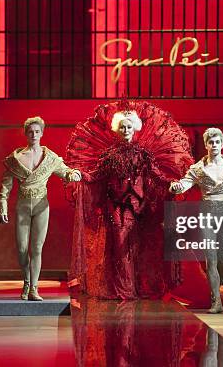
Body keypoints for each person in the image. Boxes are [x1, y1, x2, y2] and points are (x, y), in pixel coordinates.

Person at [65, 101, 194, 300]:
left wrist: (172, 184)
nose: (126, 130)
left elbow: (157, 176)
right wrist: (80, 175)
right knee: (119, 243)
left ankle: (134, 286)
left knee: (135, 246)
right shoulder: (109, 156)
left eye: (129, 127)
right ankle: (124, 288)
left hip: (139, 207)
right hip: (115, 206)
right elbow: (96, 175)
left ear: (135, 129)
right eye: (122, 127)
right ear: (117, 129)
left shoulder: (143, 155)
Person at [0, 116, 81, 301]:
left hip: (42, 206)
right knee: (21, 249)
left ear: (42, 133)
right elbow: (6, 184)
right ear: (25, 134)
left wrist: (73, 174)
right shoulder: (16, 159)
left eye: (37, 131)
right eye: (30, 132)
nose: (34, 135)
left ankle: (33, 288)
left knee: (36, 248)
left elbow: (64, 170)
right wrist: (2, 205)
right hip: (22, 207)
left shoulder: (50, 158)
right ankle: (26, 281)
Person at [170, 127, 223, 313]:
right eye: (210, 142)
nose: (214, 145)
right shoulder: (198, 169)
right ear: (205, 145)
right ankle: (216, 301)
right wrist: (176, 186)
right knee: (210, 260)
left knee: (222, 260)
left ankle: (217, 292)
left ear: (222, 144)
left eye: (217, 142)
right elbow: (184, 184)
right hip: (207, 215)